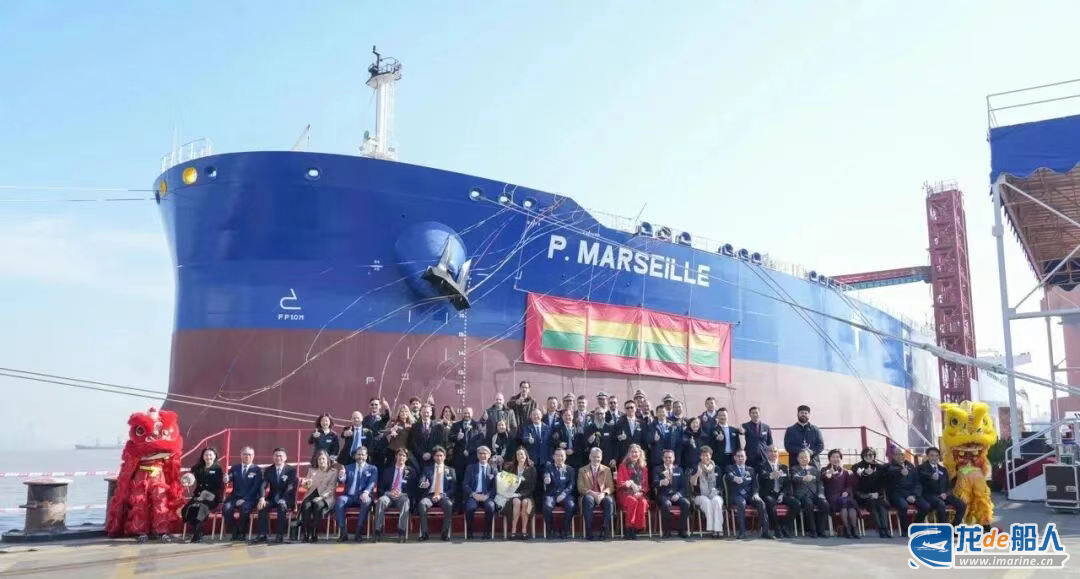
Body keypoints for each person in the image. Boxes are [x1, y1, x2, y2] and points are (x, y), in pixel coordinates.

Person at [181, 447, 224, 543]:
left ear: (214, 456)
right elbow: (190, 477)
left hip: (212, 497)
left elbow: (218, 486)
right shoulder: (197, 468)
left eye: (210, 455)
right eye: (206, 455)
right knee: (189, 508)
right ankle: (197, 531)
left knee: (199, 508)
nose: (208, 457)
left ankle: (197, 535)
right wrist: (187, 478)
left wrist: (204, 495)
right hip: (198, 496)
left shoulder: (218, 469)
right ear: (203, 456)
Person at [884, 446, 929, 537]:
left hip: (912, 494)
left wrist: (914, 495)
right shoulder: (890, 467)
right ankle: (905, 530)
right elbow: (891, 477)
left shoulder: (911, 466)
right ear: (893, 456)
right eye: (897, 454)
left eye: (902, 454)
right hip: (897, 494)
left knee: (925, 506)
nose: (900, 456)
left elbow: (917, 483)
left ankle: (915, 527)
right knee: (903, 506)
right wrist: (900, 471)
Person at [334, 446, 377, 542]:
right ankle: (343, 533)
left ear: (366, 456)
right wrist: (341, 476)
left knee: (366, 501)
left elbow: (372, 483)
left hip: (364, 496)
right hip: (349, 496)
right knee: (340, 500)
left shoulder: (372, 469)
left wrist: (366, 492)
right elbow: (342, 481)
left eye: (363, 455)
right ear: (355, 456)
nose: (360, 457)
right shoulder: (348, 467)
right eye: (358, 454)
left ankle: (358, 532)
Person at [725, 449, 770, 539]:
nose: (740, 458)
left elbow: (755, 484)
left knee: (761, 503)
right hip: (737, 495)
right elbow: (729, 476)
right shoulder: (730, 468)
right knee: (741, 503)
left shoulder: (751, 470)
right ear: (734, 458)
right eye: (738, 456)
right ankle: (742, 532)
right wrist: (735, 478)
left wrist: (756, 493)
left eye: (742, 456)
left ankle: (765, 532)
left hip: (749, 495)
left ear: (746, 458)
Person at [255, 448, 298, 543]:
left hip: (286, 498)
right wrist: (262, 498)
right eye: (276, 456)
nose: (278, 458)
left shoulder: (291, 470)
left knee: (281, 506)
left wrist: (284, 499)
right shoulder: (268, 470)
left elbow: (290, 487)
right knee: (262, 506)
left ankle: (280, 535)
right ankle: (262, 534)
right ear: (273, 457)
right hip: (273, 498)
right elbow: (263, 485)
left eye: (280, 456)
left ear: (285, 458)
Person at [374, 448, 414, 543]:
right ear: (396, 456)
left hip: (402, 496)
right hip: (389, 495)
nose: (401, 457)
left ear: (406, 458)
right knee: (381, 500)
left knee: (406, 502)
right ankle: (377, 531)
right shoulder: (387, 471)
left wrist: (403, 494)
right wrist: (388, 493)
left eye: (404, 456)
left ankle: (401, 532)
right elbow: (381, 488)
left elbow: (413, 489)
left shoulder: (411, 471)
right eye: (399, 455)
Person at [296, 450, 337, 543]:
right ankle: (306, 534)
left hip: (325, 497)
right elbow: (306, 486)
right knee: (306, 506)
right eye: (319, 459)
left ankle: (314, 533)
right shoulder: (312, 470)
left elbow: (331, 488)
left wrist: (321, 497)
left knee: (317, 505)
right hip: (311, 494)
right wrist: (306, 483)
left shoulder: (333, 472)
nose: (321, 461)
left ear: (327, 460)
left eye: (323, 459)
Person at [919, 447, 966, 526]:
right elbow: (922, 478)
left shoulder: (943, 469)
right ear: (927, 456)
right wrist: (931, 477)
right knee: (941, 504)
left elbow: (949, 486)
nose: (934, 458)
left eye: (936, 456)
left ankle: (954, 528)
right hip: (929, 495)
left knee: (962, 504)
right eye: (932, 455)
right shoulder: (922, 468)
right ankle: (943, 529)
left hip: (943, 495)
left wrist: (946, 494)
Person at [757, 446, 797, 539]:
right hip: (768, 494)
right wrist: (771, 475)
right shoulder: (761, 465)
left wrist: (782, 495)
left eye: (775, 451)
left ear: (778, 454)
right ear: (767, 453)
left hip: (781, 494)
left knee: (796, 503)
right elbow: (762, 476)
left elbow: (787, 484)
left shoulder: (784, 467)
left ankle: (785, 527)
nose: (773, 453)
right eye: (770, 451)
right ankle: (777, 529)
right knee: (770, 503)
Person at [222, 446, 261, 541]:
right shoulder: (235, 468)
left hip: (250, 498)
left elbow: (255, 487)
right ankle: (235, 531)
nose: (247, 456)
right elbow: (229, 477)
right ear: (241, 455)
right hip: (235, 497)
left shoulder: (257, 470)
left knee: (244, 509)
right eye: (245, 454)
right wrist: (226, 479)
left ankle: (242, 533)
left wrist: (244, 499)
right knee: (226, 508)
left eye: (249, 454)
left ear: (253, 456)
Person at [418, 446, 456, 541]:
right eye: (437, 455)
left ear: (445, 457)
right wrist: (424, 484)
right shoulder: (427, 469)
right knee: (422, 504)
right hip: (430, 495)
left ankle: (445, 534)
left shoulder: (450, 470)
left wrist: (441, 495)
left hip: (443, 496)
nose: (439, 458)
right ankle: (424, 534)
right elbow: (421, 482)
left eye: (441, 455)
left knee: (449, 505)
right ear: (433, 457)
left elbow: (453, 488)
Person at [578, 447, 615, 541]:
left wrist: (603, 494)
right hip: (589, 495)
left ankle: (604, 529)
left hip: (602, 495)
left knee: (609, 500)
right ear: (590, 457)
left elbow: (610, 487)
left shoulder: (607, 470)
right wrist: (592, 493)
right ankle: (589, 530)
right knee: (588, 499)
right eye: (594, 457)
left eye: (598, 457)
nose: (596, 459)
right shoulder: (582, 470)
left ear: (601, 458)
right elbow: (580, 487)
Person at [790, 448, 829, 538]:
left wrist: (821, 495)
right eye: (801, 457)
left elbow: (820, 484)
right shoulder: (794, 468)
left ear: (809, 458)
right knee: (809, 504)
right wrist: (803, 478)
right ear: (798, 459)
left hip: (815, 495)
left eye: (806, 457)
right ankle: (813, 530)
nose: (804, 459)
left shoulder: (815, 469)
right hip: (802, 495)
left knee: (825, 505)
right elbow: (794, 478)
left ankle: (821, 530)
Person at [822, 449, 860, 539]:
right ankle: (847, 529)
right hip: (832, 497)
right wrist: (829, 474)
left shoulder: (845, 471)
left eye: (838, 457)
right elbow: (824, 477)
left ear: (840, 459)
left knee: (850, 505)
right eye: (833, 457)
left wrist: (846, 491)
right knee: (844, 504)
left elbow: (849, 485)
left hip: (843, 496)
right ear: (829, 459)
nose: (835, 459)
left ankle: (854, 529)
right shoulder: (825, 469)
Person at [853, 447, 890, 538]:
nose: (868, 456)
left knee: (881, 505)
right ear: (862, 456)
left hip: (877, 495)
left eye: (870, 455)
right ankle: (880, 529)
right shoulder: (858, 466)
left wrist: (878, 493)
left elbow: (883, 484)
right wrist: (865, 472)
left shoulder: (879, 467)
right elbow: (857, 471)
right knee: (872, 503)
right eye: (866, 455)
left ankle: (885, 529)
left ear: (874, 456)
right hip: (864, 496)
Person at [653, 448, 690, 539]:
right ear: (663, 458)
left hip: (676, 495)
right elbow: (654, 483)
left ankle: (682, 530)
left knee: (686, 503)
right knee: (666, 504)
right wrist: (661, 482)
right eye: (666, 457)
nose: (668, 459)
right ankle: (667, 531)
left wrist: (678, 495)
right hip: (663, 495)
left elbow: (683, 487)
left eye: (670, 457)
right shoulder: (657, 469)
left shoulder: (679, 470)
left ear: (673, 458)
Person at [501, 447, 537, 540]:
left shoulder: (532, 469)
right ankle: (513, 530)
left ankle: (524, 530)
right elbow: (506, 484)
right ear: (516, 457)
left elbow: (532, 487)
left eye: (522, 454)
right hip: (512, 496)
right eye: (518, 454)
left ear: (526, 456)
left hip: (527, 495)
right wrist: (513, 493)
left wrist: (520, 494)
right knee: (516, 501)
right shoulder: (510, 468)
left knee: (525, 502)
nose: (520, 456)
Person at [616, 443, 650, 540]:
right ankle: (628, 528)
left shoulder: (644, 468)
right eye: (632, 452)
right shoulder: (623, 466)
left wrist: (641, 492)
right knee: (632, 501)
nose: (634, 454)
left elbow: (646, 485)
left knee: (643, 502)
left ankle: (636, 528)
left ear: (640, 454)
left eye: (636, 452)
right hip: (625, 493)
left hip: (639, 493)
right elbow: (619, 483)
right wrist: (628, 483)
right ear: (628, 454)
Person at [690, 445, 725, 538]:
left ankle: (718, 529)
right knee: (707, 502)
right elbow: (692, 484)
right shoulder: (696, 467)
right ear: (700, 456)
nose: (705, 457)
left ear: (711, 456)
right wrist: (697, 474)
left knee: (717, 501)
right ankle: (712, 528)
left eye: (707, 455)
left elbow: (720, 485)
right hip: (699, 495)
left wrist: (716, 491)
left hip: (714, 494)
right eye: (703, 455)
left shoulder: (717, 468)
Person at [463, 446, 497, 539]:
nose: (482, 455)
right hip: (474, 495)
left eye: (485, 454)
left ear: (489, 455)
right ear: (477, 455)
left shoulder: (493, 469)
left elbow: (495, 487)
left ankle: (487, 532)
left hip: (487, 496)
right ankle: (470, 532)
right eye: (480, 454)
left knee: (490, 507)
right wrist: (473, 494)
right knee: (470, 508)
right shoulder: (470, 468)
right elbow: (465, 485)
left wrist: (488, 495)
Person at [542, 447, 576, 539]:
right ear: (553, 457)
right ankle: (550, 529)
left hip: (565, 495)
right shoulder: (549, 467)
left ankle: (565, 530)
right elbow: (546, 475)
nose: (559, 458)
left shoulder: (570, 469)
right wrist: (546, 479)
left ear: (565, 457)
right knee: (547, 506)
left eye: (561, 455)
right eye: (557, 455)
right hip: (551, 494)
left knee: (571, 506)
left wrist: (563, 494)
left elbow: (571, 485)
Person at [409, 404, 446, 471]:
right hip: (419, 459)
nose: (425, 414)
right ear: (420, 413)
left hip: (433, 459)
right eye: (423, 412)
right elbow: (412, 443)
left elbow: (440, 443)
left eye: (427, 412)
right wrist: (422, 454)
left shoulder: (438, 427)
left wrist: (431, 453)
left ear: (431, 413)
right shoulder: (414, 427)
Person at [741, 406, 773, 472]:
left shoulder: (766, 427)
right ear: (749, 414)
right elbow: (742, 431)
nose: (755, 415)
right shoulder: (745, 426)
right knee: (751, 474)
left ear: (759, 414)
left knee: (764, 475)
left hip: (763, 457)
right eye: (753, 413)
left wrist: (770, 455)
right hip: (750, 457)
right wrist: (741, 431)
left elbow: (770, 443)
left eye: (756, 413)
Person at [614, 400, 645, 464]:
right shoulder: (619, 423)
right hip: (624, 456)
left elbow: (644, 441)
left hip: (638, 457)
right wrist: (619, 437)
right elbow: (614, 439)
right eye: (627, 408)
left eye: (631, 407)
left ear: (635, 408)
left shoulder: (641, 423)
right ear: (625, 410)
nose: (629, 409)